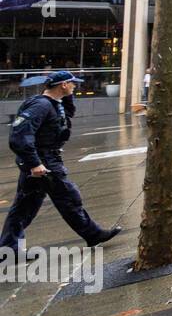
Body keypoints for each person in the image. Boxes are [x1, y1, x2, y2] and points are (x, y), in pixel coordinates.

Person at [1, 72, 121, 258]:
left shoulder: (53, 103)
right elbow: (19, 135)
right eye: (72, 84)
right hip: (44, 162)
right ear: (63, 84)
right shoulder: (40, 105)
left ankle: (7, 249)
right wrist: (35, 164)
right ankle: (93, 234)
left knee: (24, 207)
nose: (75, 86)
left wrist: (67, 95)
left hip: (44, 159)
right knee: (68, 198)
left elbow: (68, 115)